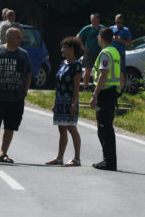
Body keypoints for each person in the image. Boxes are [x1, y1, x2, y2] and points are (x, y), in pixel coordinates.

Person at [0, 27, 31, 163]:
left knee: (10, 126)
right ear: (9, 37)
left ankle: (3, 153)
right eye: (18, 37)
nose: (20, 40)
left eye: (20, 37)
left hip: (16, 98)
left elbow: (28, 75)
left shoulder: (23, 54)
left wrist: (25, 92)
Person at [45, 37, 83, 166]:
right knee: (62, 129)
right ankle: (59, 158)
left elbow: (77, 86)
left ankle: (77, 158)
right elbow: (59, 84)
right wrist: (55, 102)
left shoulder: (76, 65)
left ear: (72, 49)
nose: (62, 50)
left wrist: (73, 104)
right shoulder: (63, 63)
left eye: (64, 47)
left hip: (70, 101)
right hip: (60, 100)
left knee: (71, 128)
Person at [90, 27, 122, 171]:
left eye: (98, 36)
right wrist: (119, 89)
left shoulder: (105, 53)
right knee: (107, 127)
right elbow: (120, 72)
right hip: (113, 91)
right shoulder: (115, 51)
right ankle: (109, 160)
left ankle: (108, 162)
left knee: (104, 128)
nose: (97, 38)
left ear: (101, 38)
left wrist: (95, 95)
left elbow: (103, 75)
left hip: (105, 92)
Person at [77, 13, 102, 90]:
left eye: (94, 19)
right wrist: (82, 47)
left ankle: (97, 86)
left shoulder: (102, 28)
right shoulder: (87, 28)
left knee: (99, 70)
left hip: (100, 52)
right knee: (88, 70)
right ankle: (85, 87)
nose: (93, 21)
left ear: (98, 19)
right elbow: (78, 37)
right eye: (92, 20)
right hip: (90, 52)